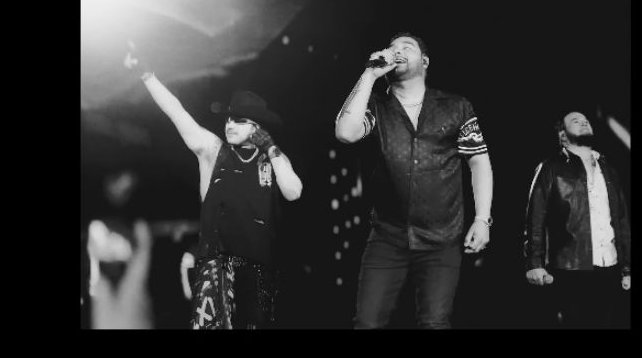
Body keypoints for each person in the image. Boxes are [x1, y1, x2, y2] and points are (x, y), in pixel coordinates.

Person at [124, 42, 303, 329]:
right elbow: (177, 113)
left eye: (239, 120)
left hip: (260, 271)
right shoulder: (213, 149)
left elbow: (293, 193)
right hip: (217, 268)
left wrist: (271, 148)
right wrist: (148, 76)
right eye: (229, 119)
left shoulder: (274, 158)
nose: (230, 124)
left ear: (257, 127)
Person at [334, 32, 494, 329]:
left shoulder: (456, 106)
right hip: (388, 235)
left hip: (442, 237)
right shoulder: (377, 106)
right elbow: (346, 132)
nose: (397, 51)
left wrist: (482, 219)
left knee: (434, 323)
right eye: (392, 47)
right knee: (367, 323)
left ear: (425, 61)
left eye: (407, 47)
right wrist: (369, 74)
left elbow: (479, 161)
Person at [523, 111, 631, 328]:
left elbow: (621, 220)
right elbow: (535, 216)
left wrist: (626, 267)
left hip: (609, 266)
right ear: (562, 135)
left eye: (586, 121)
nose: (584, 122)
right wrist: (534, 263)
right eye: (576, 121)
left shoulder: (609, 169)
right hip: (569, 267)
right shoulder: (550, 167)